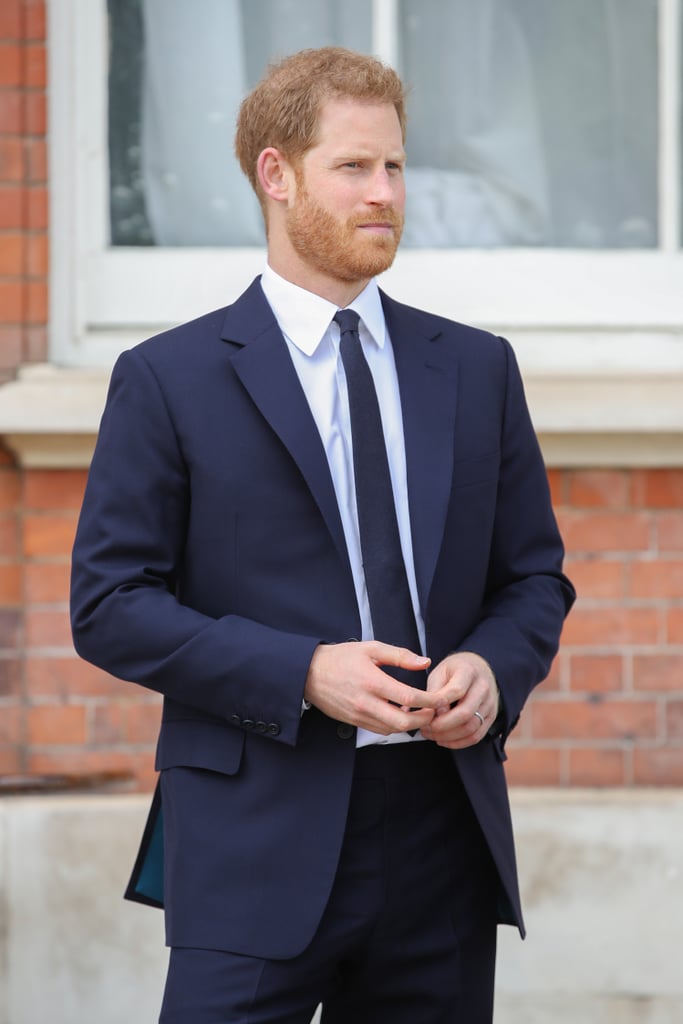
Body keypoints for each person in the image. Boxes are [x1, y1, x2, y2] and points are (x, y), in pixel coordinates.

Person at [71, 46, 575, 1024]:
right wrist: (301, 670)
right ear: (275, 173)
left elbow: (533, 579)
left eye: (393, 166)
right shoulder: (167, 378)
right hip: (253, 830)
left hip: (441, 833)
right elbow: (109, 607)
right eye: (352, 166)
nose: (383, 191)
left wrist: (490, 666)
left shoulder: (474, 369)